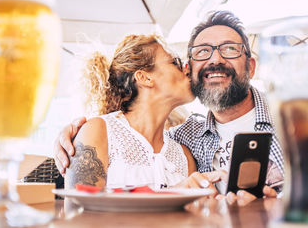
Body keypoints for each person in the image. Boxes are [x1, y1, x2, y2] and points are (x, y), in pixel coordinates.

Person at [54, 11, 283, 204]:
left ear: (251, 67)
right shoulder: (188, 138)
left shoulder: (293, 121)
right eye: (203, 51)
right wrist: (73, 137)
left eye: (230, 49)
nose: (215, 60)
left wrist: (277, 208)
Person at [64, 34, 224, 191]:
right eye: (175, 62)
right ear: (144, 78)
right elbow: (77, 211)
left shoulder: (184, 156)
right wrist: (172, 197)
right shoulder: (98, 131)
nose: (187, 69)